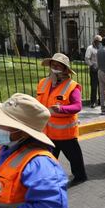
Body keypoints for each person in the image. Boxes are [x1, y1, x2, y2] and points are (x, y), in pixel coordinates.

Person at [36, 53, 88, 187]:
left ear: (65, 69)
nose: (55, 67)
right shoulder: (43, 83)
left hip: (66, 133)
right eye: (53, 65)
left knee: (74, 158)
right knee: (48, 158)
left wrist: (62, 109)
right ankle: (48, 179)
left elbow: (77, 106)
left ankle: (80, 176)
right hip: (47, 131)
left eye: (59, 65)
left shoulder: (72, 86)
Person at [84, 35, 102, 108]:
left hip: (101, 69)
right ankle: (93, 102)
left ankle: (101, 101)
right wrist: (91, 65)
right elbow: (87, 58)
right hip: (94, 70)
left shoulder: (101, 48)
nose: (99, 43)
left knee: (101, 86)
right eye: (98, 41)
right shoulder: (90, 48)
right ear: (95, 41)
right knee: (94, 86)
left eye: (100, 41)